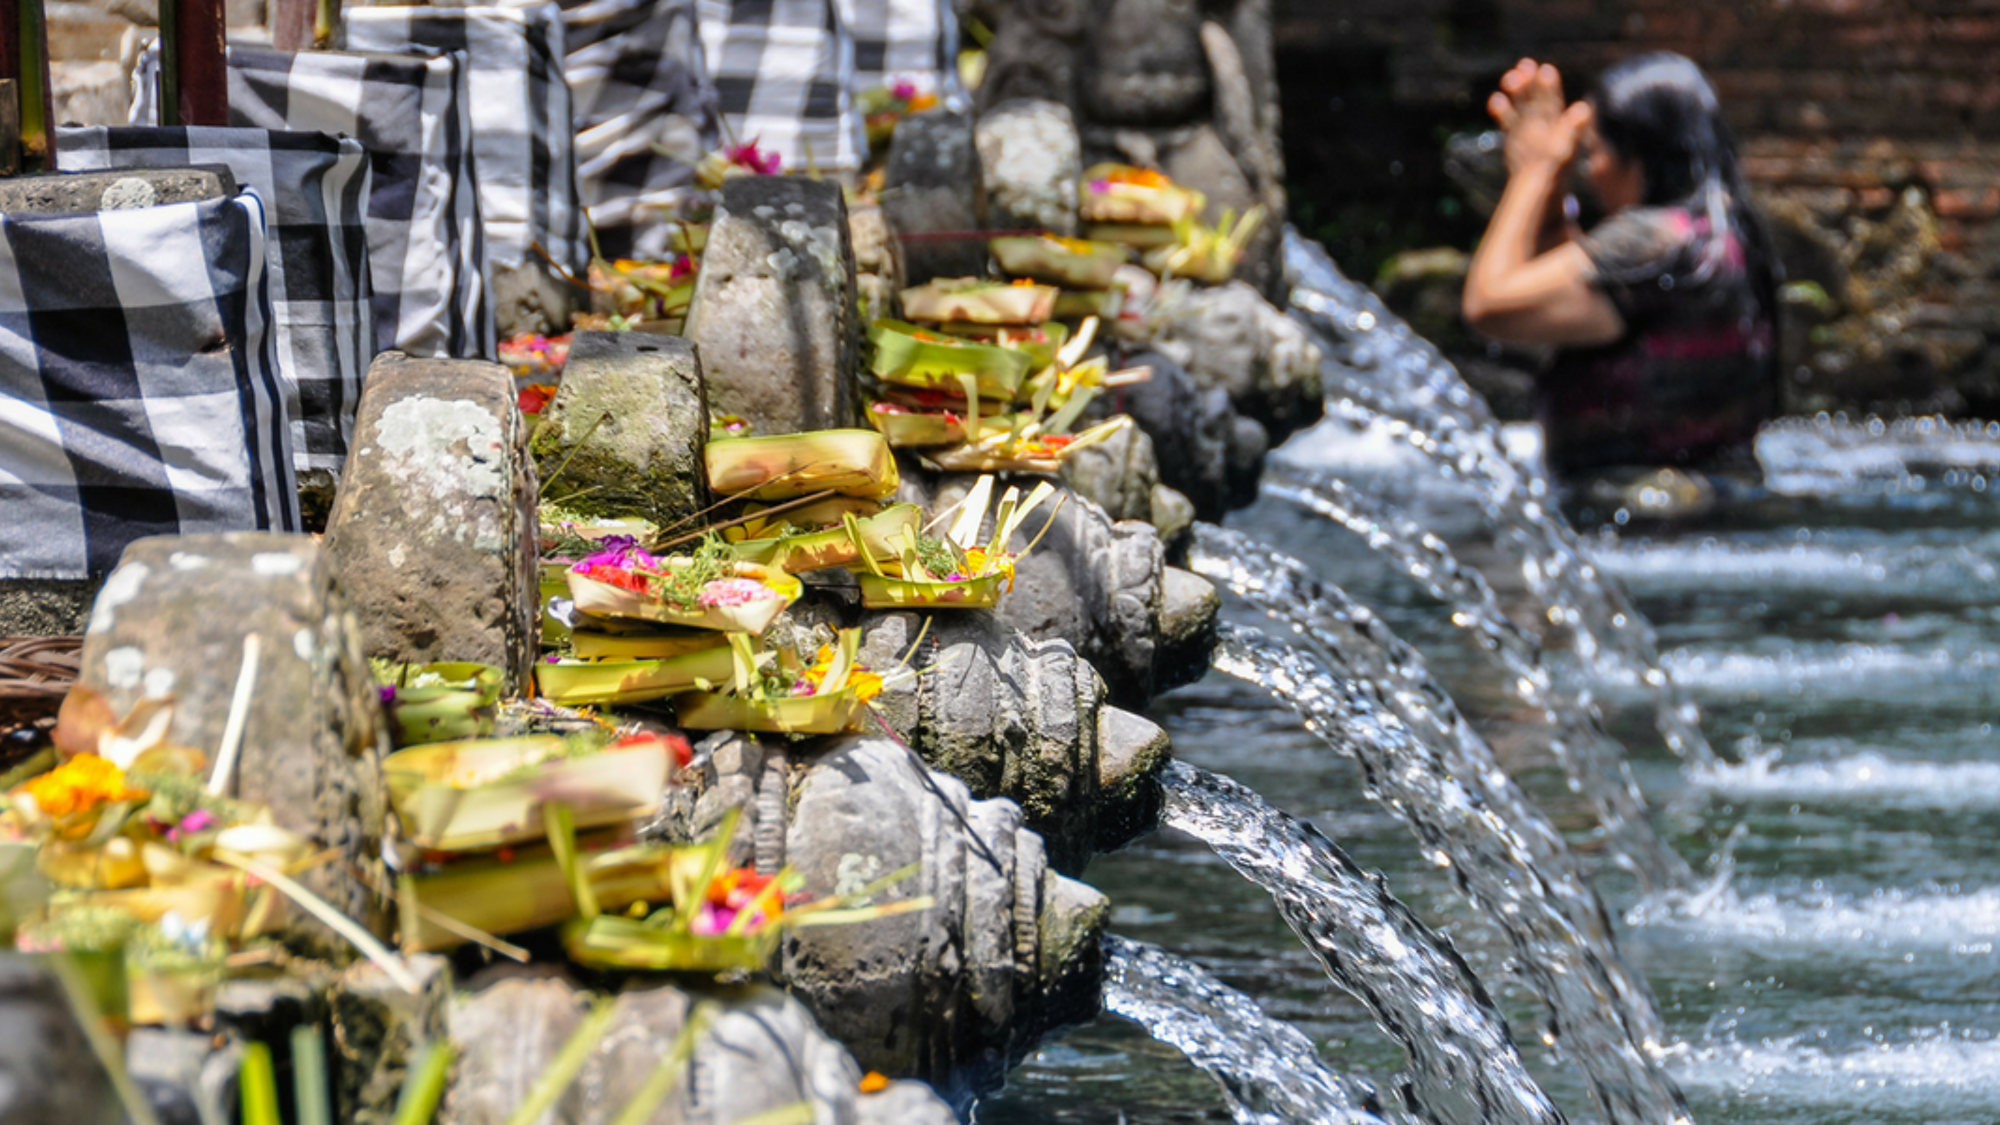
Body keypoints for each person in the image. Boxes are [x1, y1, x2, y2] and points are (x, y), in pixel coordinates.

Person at [1461, 52, 1781, 482]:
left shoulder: (1651, 240)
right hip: (1713, 501)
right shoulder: (1727, 235)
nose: (1590, 172)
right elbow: (1574, 290)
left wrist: (1533, 170)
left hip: (1633, 515)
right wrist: (1552, 196)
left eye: (1592, 152)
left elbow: (1489, 304)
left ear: (1637, 153)